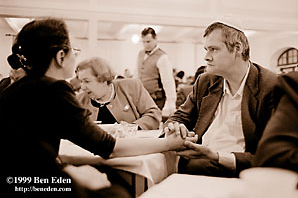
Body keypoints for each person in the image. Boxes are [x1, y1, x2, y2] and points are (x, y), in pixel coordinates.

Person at [0, 18, 196, 198]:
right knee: (117, 193)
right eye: (73, 51)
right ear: (61, 56)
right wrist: (169, 144)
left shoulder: (13, 88)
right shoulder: (55, 89)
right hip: (32, 184)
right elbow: (108, 147)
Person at [164, 18, 278, 178]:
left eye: (213, 49)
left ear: (237, 48)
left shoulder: (271, 87)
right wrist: (175, 127)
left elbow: (274, 155)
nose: (206, 57)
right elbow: (179, 117)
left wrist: (217, 156)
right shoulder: (206, 80)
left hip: (240, 171)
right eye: (206, 49)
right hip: (197, 164)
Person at [76, 56, 161, 130]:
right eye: (81, 81)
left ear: (104, 80)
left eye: (87, 81)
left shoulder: (131, 87)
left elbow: (153, 114)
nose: (82, 87)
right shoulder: (79, 100)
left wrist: (133, 127)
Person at [253, 71, 298, 188]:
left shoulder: (266, 83)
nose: (207, 58)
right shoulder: (295, 85)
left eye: (214, 50)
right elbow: (272, 158)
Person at [136, 27, 176, 119]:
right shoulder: (140, 54)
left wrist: (170, 103)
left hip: (156, 99)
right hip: (142, 98)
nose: (146, 45)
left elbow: (168, 82)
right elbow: (137, 75)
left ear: (155, 39)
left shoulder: (162, 57)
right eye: (144, 42)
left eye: (148, 41)